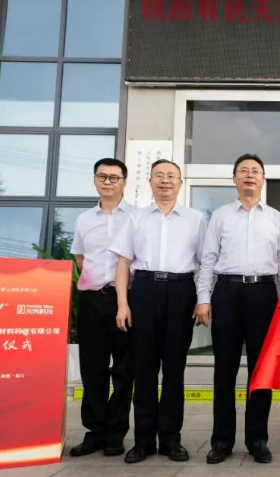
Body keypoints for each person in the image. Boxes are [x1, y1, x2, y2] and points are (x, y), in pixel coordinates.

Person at [109, 159, 208, 464]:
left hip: (181, 292)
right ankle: (143, 442)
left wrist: (202, 299)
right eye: (159, 176)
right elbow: (123, 263)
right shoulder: (135, 217)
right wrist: (123, 304)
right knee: (144, 371)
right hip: (144, 291)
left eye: (171, 176)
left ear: (180, 183)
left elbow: (205, 264)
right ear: (150, 182)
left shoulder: (196, 219)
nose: (165, 181)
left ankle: (171, 440)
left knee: (175, 371)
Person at [196, 154, 280, 465]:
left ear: (263, 179)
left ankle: (257, 439)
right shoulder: (220, 216)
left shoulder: (275, 217)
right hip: (227, 291)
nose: (250, 175)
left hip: (264, 294)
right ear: (234, 178)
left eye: (255, 171)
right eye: (243, 171)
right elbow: (208, 259)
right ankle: (221, 440)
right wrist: (203, 298)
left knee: (261, 370)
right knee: (224, 369)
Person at [69, 158, 135, 458]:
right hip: (93, 300)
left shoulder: (136, 217)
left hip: (126, 301)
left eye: (114, 177)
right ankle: (94, 431)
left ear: (124, 182)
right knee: (92, 367)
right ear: (95, 180)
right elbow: (80, 258)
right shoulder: (84, 219)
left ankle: (116, 433)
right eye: (102, 177)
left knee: (124, 369)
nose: (107, 182)